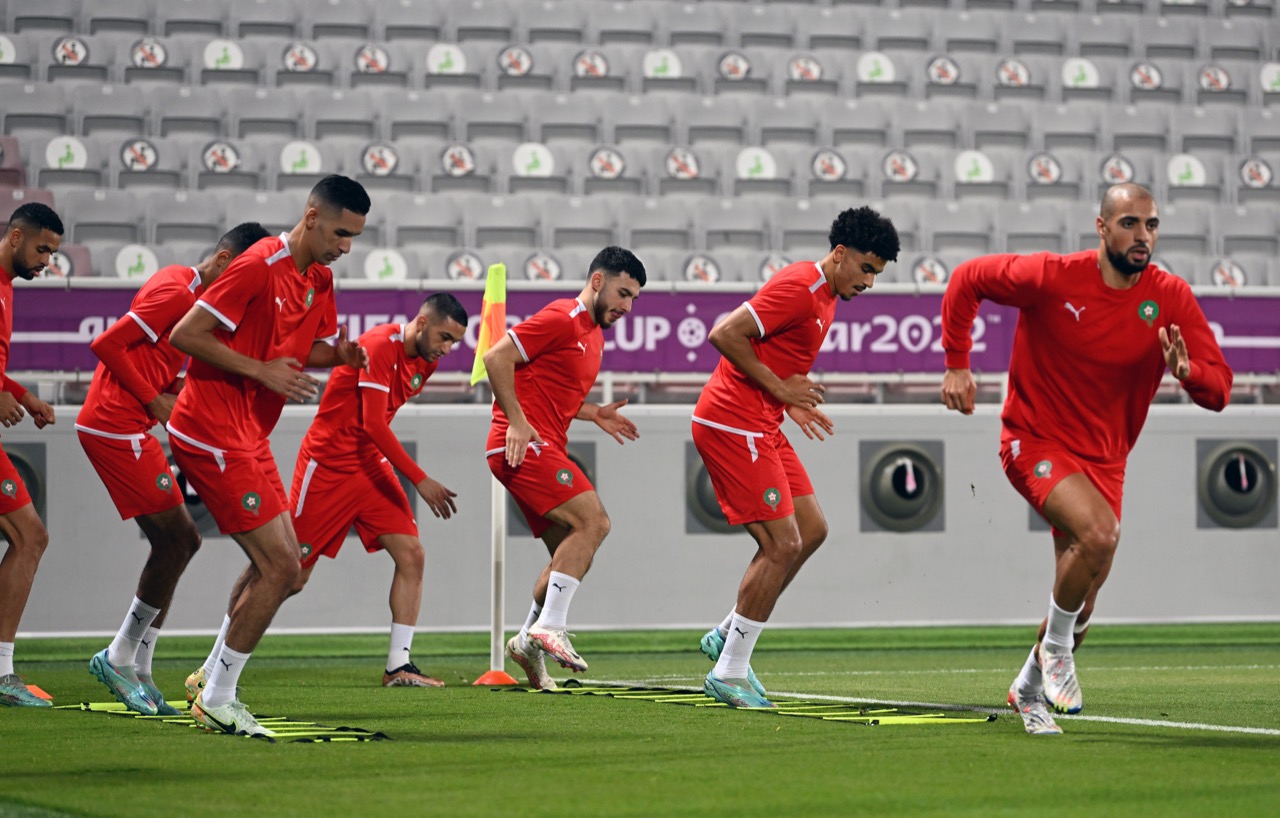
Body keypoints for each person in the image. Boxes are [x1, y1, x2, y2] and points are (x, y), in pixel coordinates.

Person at [940, 183, 1233, 735]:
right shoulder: (1052, 276)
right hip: (1033, 439)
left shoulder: (1170, 297)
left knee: (1083, 601)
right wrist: (957, 363)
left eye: (1151, 225)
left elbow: (1220, 389)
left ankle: (1028, 690)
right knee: (1099, 533)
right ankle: (1054, 652)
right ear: (1102, 228)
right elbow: (967, 279)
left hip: (1106, 462)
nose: (1142, 235)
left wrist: (1188, 372)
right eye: (1129, 223)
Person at [165, 175, 371, 737]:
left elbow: (304, 350)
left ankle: (209, 678)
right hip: (209, 429)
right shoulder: (258, 264)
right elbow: (185, 334)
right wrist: (260, 371)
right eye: (340, 233)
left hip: (248, 434)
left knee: (285, 567)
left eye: (354, 238)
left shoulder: (319, 278)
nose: (345, 247)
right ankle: (219, 697)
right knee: (282, 566)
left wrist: (340, 356)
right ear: (311, 216)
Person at [186, 294, 468, 695]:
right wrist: (420, 479)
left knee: (412, 555)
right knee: (286, 574)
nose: (447, 348)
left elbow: (376, 427)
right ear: (421, 323)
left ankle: (398, 665)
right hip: (328, 467)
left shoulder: (426, 360)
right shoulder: (378, 346)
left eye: (454, 342)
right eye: (444, 337)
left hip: (370, 467)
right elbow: (373, 423)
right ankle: (211, 667)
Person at [693, 206, 899, 708]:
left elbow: (773, 357)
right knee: (782, 544)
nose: (869, 283)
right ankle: (729, 670)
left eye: (877, 273)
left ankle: (729, 633)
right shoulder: (802, 287)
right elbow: (723, 334)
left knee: (811, 530)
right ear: (839, 254)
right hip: (732, 422)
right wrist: (781, 390)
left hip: (763, 422)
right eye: (866, 268)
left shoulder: (827, 295)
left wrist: (787, 401)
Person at [77, 223, 270, 716]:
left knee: (182, 541)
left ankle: (138, 665)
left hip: (130, 424)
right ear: (225, 261)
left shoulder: (195, 298)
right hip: (113, 424)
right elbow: (108, 345)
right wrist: (155, 400)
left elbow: (153, 360)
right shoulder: (177, 290)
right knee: (180, 540)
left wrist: (178, 391)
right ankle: (120, 656)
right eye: (245, 275)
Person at [484, 246, 645, 689]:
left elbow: (552, 393)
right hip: (523, 445)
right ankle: (550, 627)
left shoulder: (594, 335)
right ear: (597, 281)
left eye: (633, 299)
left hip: (541, 445)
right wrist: (517, 421)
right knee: (595, 523)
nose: (627, 306)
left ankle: (526, 641)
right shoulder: (562, 317)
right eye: (623, 293)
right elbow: (496, 358)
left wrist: (594, 413)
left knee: (571, 558)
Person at [0, 204, 62, 708]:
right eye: (42, 249)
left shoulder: (7, 286)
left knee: (30, 536)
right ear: (16, 237)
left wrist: (21, 395)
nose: (46, 262)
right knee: (30, 535)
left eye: (52, 253)